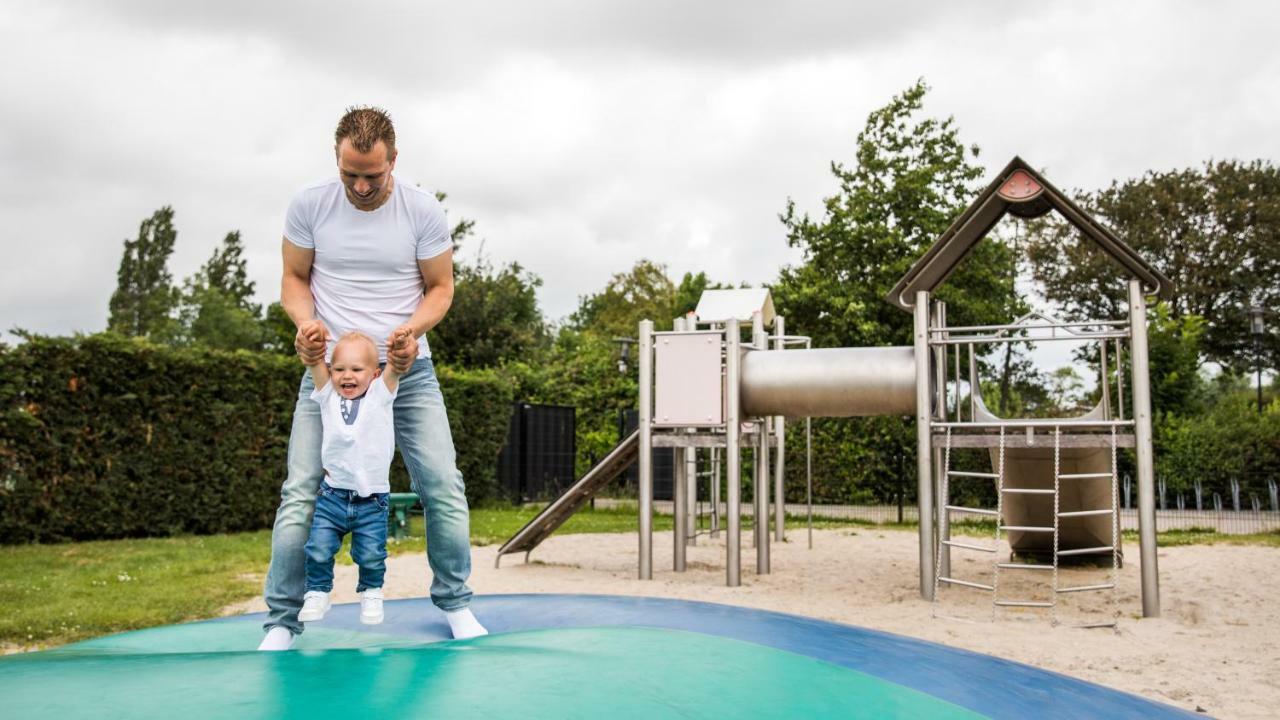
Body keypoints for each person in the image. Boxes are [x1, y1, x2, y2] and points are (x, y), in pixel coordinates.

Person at [258, 106, 486, 651]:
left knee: (442, 484)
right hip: (333, 374)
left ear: (393, 162)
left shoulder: (421, 211)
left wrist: (411, 330)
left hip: (410, 372)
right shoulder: (310, 204)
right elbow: (294, 277)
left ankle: (455, 604)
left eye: (372, 175)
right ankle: (282, 622)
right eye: (350, 173)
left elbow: (441, 289)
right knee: (299, 492)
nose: (360, 185)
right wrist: (305, 322)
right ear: (337, 159)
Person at [297, 330, 403, 626]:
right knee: (318, 549)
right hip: (332, 496)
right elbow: (314, 361)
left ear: (374, 374)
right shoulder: (327, 394)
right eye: (340, 369)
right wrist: (310, 339)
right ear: (331, 372)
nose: (348, 376)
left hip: (372, 500)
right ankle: (317, 592)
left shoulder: (381, 395)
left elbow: (396, 366)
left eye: (357, 370)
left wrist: (401, 344)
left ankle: (371, 592)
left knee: (370, 554)